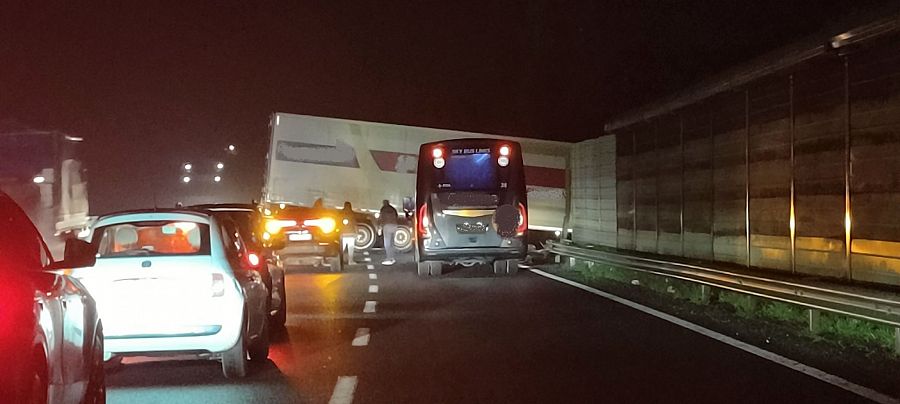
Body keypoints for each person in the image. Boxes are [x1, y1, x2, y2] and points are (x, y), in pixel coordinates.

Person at [378, 199, 399, 265]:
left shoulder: (383, 209)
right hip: (394, 226)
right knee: (392, 243)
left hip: (387, 226)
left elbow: (381, 218)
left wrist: (379, 227)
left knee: (387, 243)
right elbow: (396, 216)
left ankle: (389, 258)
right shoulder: (393, 209)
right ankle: (392, 258)